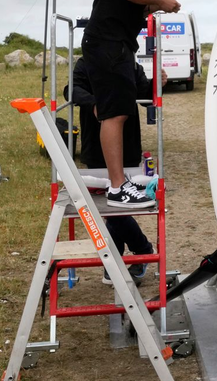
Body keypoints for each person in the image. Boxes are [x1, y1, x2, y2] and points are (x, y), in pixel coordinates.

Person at [81, 0, 191, 208]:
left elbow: (133, 3)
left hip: (114, 44)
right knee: (114, 113)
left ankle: (120, 183)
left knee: (118, 111)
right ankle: (118, 187)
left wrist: (158, 4)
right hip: (108, 42)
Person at [64, 56, 162, 284]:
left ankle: (118, 261)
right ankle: (138, 251)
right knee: (106, 209)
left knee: (117, 207)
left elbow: (147, 98)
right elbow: (71, 90)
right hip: (95, 147)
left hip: (127, 148)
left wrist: (159, 83)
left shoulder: (130, 64)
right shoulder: (85, 63)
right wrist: (94, 103)